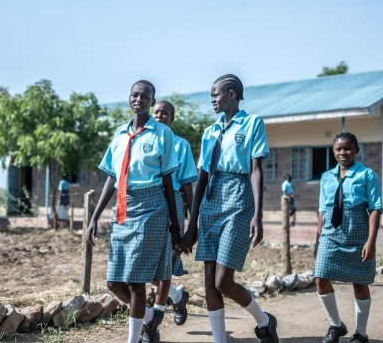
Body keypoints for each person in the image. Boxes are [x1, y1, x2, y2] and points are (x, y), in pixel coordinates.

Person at [181, 74, 278, 343]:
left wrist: (258, 214)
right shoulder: (210, 132)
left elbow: (257, 171)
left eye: (216, 94)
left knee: (224, 280)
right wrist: (192, 223)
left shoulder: (252, 123)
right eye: (212, 95)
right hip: (212, 197)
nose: (212, 99)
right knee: (209, 279)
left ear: (232, 94)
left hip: (239, 197)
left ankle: (265, 321)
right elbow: (201, 177)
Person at [86, 80, 181, 343]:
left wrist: (175, 225)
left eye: (145, 96)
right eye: (135, 95)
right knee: (114, 283)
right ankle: (149, 319)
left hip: (152, 207)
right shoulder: (119, 134)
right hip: (123, 209)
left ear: (152, 101)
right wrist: (95, 217)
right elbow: (111, 179)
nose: (139, 99)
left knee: (136, 281)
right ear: (130, 98)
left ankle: (133, 339)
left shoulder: (162, 133)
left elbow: (167, 182)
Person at [314, 132, 382, 343]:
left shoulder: (367, 175)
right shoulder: (326, 177)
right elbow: (322, 210)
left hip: (358, 232)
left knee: (359, 283)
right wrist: (317, 239)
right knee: (321, 278)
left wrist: (370, 241)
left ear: (356, 150)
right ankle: (336, 325)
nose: (343, 152)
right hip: (330, 234)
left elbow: (375, 209)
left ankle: (360, 333)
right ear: (333, 151)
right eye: (338, 149)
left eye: (348, 148)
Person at [150, 100, 198, 330]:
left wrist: (191, 222)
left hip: (174, 204)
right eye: (156, 111)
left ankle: (154, 323)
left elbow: (188, 184)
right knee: (146, 267)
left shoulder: (181, 145)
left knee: (166, 262)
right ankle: (178, 296)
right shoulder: (144, 141)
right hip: (148, 204)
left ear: (172, 118)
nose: (160, 115)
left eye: (165, 113)